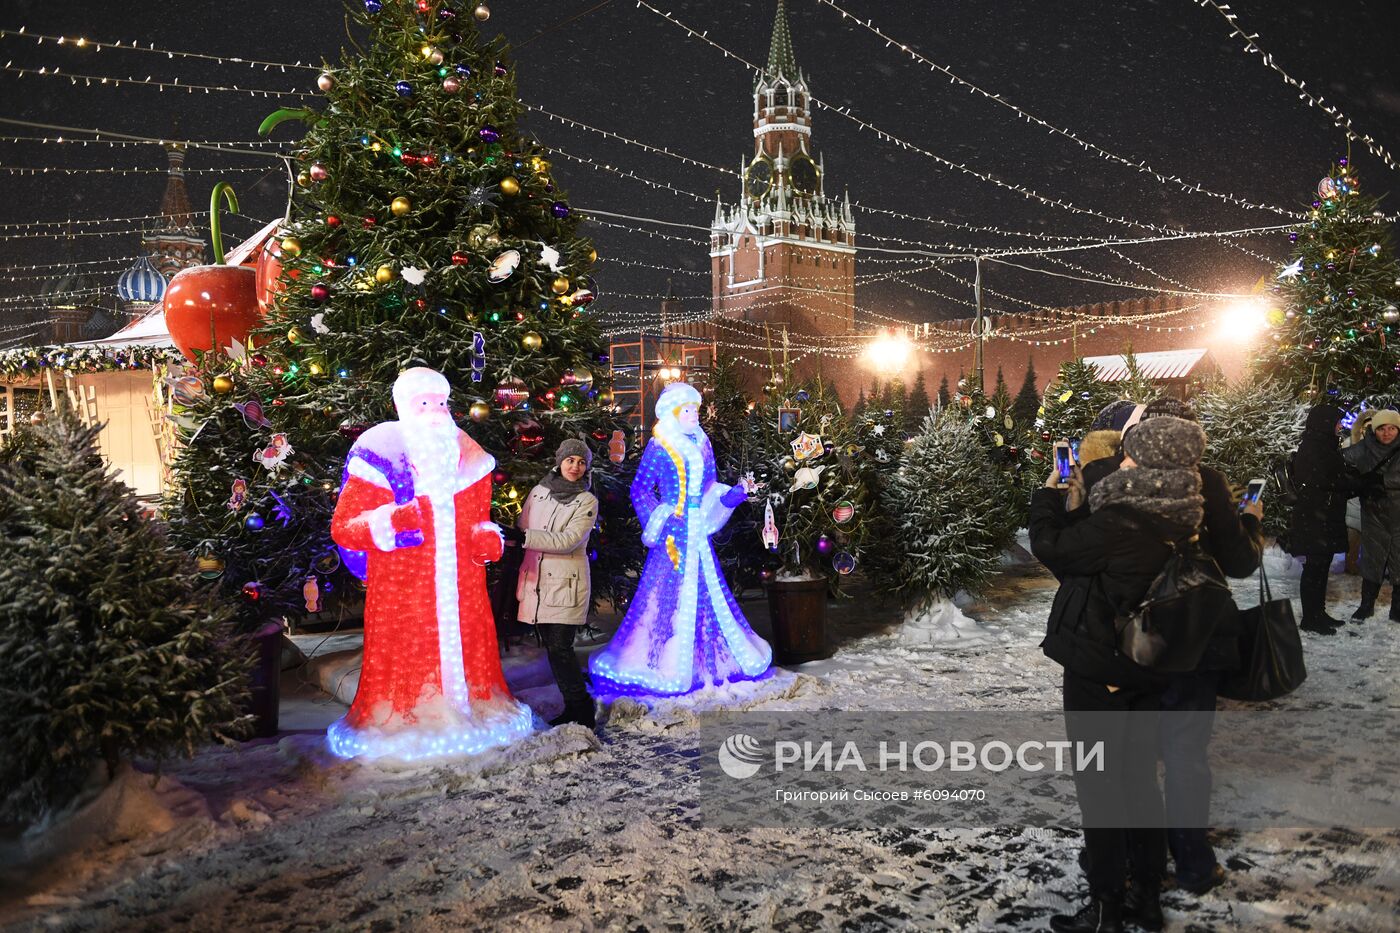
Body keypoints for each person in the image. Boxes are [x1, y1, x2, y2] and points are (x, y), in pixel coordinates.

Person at [1031, 415, 1213, 933]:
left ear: (1150, 461)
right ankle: (1148, 899)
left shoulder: (1121, 520)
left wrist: (1047, 499)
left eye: (1132, 454)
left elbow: (1054, 550)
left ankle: (1109, 906)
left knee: (1101, 791)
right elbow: (1091, 557)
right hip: (1148, 666)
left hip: (1101, 669)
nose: (1123, 460)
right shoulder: (1183, 512)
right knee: (1139, 782)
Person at [328, 368, 533, 760]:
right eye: (424, 402)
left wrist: (486, 536)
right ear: (405, 407)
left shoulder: (469, 456)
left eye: (441, 402)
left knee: (467, 655)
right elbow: (344, 528)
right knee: (409, 660)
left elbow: (479, 519)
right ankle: (411, 717)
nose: (436, 410)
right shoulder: (381, 451)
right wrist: (392, 520)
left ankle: (470, 707)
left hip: (463, 592)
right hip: (404, 592)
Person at [589, 382, 772, 697]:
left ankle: (705, 659)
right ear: (674, 412)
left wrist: (735, 495)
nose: (693, 415)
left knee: (707, 595)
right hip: (672, 539)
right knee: (667, 599)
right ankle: (664, 659)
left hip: (698, 534)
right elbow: (640, 489)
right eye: (687, 409)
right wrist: (661, 518)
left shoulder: (703, 443)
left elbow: (711, 486)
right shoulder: (660, 445)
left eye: (696, 409)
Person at [503, 439, 600, 729]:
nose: (576, 467)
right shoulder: (539, 492)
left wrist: (526, 538)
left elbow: (569, 540)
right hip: (537, 580)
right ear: (559, 461)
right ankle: (576, 703)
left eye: (581, 462)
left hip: (565, 583)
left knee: (560, 647)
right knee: (555, 649)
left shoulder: (586, 501)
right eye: (571, 460)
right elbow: (523, 527)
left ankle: (580, 709)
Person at [1288, 404, 1366, 633]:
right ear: (1324, 423)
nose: (1340, 426)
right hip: (1314, 519)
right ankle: (1310, 618)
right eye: (1336, 421)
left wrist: (1355, 484)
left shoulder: (1324, 445)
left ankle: (1318, 613)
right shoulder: (1314, 448)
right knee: (1314, 568)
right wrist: (1355, 484)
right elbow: (1326, 481)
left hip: (1323, 517)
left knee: (1321, 569)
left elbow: (1334, 479)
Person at [1343, 409, 1400, 621]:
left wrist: (1381, 481)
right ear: (1374, 430)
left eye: (1392, 428)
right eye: (1382, 429)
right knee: (1372, 561)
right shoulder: (1364, 448)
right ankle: (1366, 605)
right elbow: (1342, 462)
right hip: (1373, 515)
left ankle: (1397, 608)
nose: (1387, 433)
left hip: (1398, 517)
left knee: (1399, 562)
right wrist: (1358, 482)